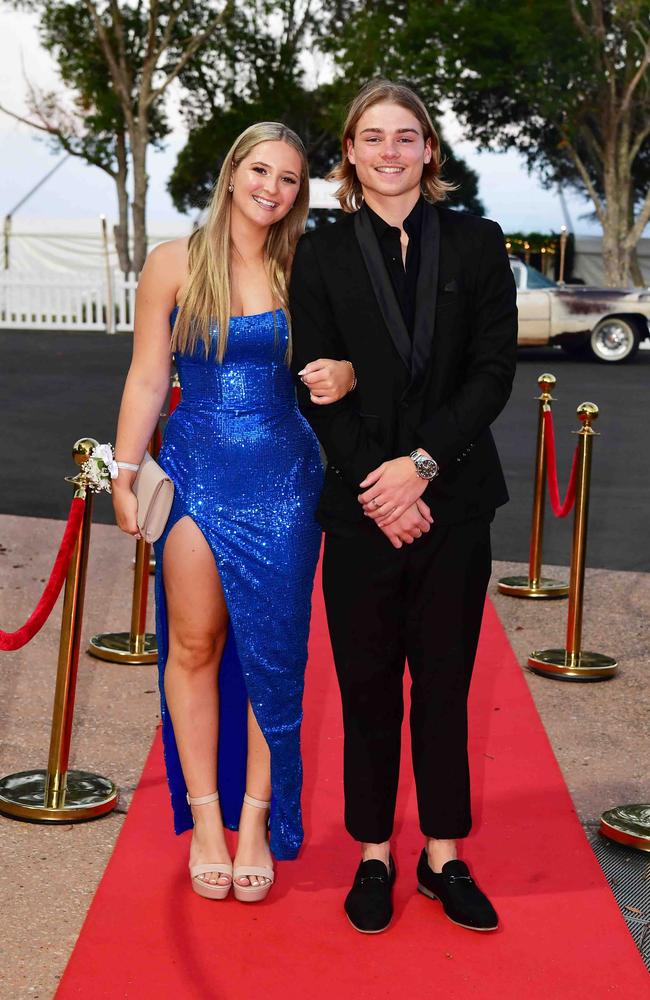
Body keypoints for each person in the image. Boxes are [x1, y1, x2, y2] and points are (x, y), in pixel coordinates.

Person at [290, 81, 518, 933]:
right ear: (348, 153)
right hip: (360, 510)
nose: (390, 150)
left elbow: (491, 373)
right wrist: (380, 487)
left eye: (407, 136)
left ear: (431, 151)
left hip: (454, 501)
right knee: (367, 685)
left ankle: (444, 854)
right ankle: (374, 853)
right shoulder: (318, 255)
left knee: (447, 684)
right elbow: (315, 384)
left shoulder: (477, 243)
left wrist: (418, 467)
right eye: (372, 137)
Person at [112, 122, 354, 903]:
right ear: (232, 172)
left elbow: (352, 363)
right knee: (193, 642)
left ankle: (256, 823)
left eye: (288, 179)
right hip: (193, 475)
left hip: (286, 481)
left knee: (274, 658)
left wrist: (344, 374)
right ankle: (207, 823)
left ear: (299, 194)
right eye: (261, 170)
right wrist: (123, 469)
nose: (272, 189)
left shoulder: (306, 266)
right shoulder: (174, 263)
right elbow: (149, 377)